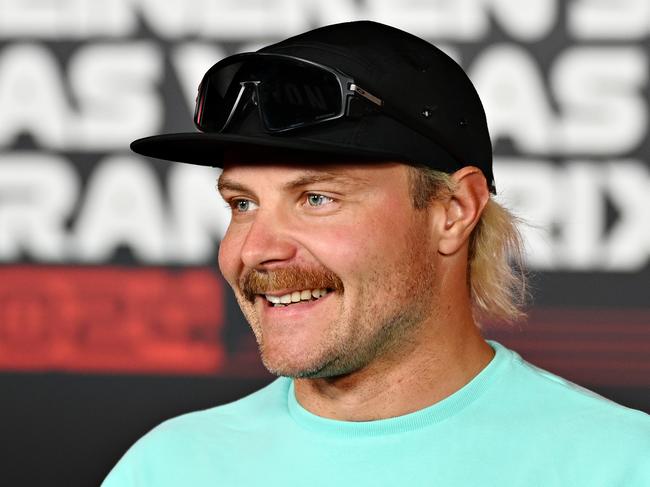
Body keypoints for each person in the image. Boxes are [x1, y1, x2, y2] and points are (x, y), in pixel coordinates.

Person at [103, 21, 649, 486]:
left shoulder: (620, 464)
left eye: (316, 198)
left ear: (454, 210)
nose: (257, 249)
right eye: (242, 204)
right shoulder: (170, 468)